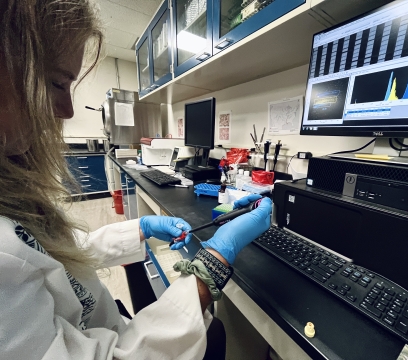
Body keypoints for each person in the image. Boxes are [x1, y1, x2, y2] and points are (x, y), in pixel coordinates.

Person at [0, 1, 272, 359]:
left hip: (104, 323)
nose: (66, 110)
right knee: (216, 331)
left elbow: (47, 259)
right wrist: (211, 265)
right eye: (55, 83)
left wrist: (139, 228)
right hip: (114, 339)